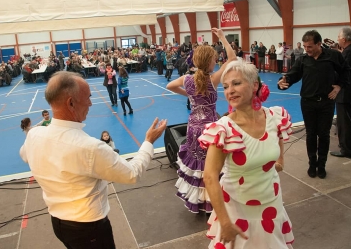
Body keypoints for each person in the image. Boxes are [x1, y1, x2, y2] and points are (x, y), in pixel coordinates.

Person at [20, 71, 167, 249]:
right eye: (88, 97)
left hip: (58, 223)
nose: (90, 103)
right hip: (89, 230)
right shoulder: (90, 147)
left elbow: (25, 155)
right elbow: (132, 174)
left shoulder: (34, 134)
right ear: (71, 103)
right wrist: (149, 142)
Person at [199, 58, 294, 249]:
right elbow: (209, 177)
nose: (230, 91)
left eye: (236, 83)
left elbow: (279, 138)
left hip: (271, 201)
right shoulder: (223, 129)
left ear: (254, 85)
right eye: (225, 87)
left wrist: (280, 159)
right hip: (236, 208)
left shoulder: (275, 116)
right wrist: (225, 222)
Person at [166, 27, 237, 213]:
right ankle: (213, 201)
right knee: (212, 167)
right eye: (214, 59)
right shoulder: (213, 79)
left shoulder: (187, 79)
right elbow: (232, 59)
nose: (216, 61)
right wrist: (222, 36)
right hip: (210, 128)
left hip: (193, 127)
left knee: (198, 166)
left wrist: (188, 95)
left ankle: (199, 201)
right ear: (209, 61)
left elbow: (169, 85)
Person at [278, 30, 350, 179]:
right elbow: (293, 74)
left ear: (319, 44)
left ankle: (322, 164)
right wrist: (284, 81)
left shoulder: (333, 56)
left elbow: (346, 71)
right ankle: (312, 163)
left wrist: (339, 86)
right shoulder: (303, 59)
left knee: (324, 135)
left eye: (309, 46)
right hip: (308, 103)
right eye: (305, 46)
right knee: (311, 134)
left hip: (326, 103)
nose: (306, 50)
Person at [330, 26, 351, 158]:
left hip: (346, 94)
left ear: (344, 39)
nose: (338, 40)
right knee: (350, 121)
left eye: (339, 37)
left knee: (344, 123)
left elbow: (341, 72)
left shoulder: (349, 52)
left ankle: (347, 149)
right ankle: (349, 146)